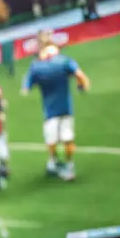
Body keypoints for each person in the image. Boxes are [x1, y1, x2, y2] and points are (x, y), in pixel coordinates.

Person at [23, 31, 90, 181]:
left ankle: (54, 162)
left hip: (50, 111)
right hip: (66, 108)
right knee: (67, 139)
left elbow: (26, 86)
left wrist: (28, 86)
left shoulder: (36, 67)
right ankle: (68, 165)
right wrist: (82, 85)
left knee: (51, 140)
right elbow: (80, 76)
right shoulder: (64, 61)